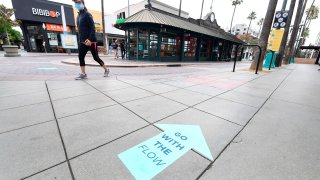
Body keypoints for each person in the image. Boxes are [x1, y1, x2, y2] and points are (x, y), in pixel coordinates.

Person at [73, 0, 109, 80]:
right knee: (80, 56)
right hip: (82, 41)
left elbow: (93, 28)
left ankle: (106, 70)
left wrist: (89, 39)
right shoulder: (78, 16)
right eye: (75, 3)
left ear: (83, 3)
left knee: (95, 57)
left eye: (78, 3)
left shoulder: (87, 14)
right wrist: (80, 40)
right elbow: (79, 30)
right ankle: (83, 73)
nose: (77, 4)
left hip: (91, 41)